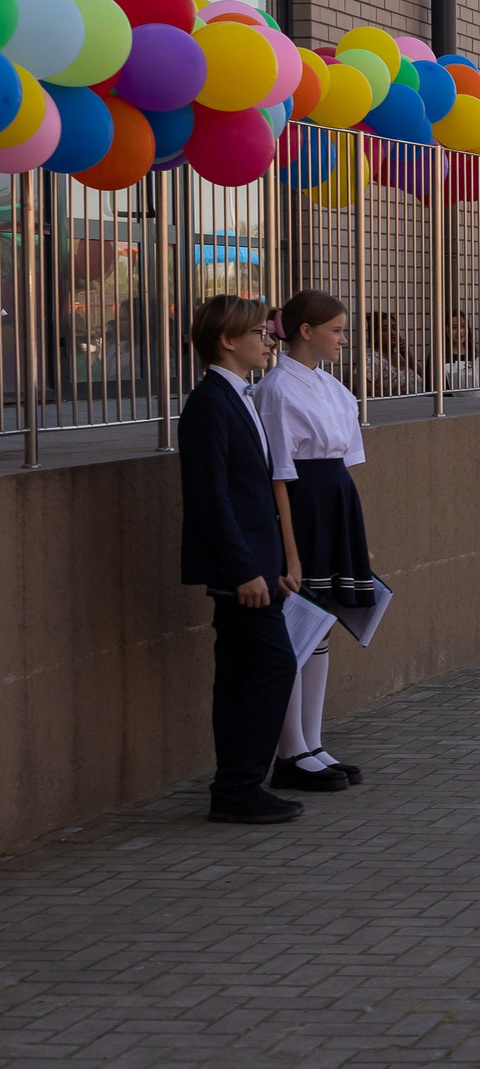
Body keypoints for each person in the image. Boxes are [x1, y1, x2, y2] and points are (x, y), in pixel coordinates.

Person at [178, 295, 303, 825]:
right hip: (241, 573)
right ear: (228, 341)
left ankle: (234, 788)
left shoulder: (240, 397)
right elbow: (212, 500)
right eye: (258, 331)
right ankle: (239, 787)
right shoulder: (210, 402)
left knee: (238, 675)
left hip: (257, 565)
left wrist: (274, 562)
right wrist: (244, 572)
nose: (268, 339)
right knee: (272, 666)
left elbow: (253, 494)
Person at [253, 290, 375, 793]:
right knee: (297, 626)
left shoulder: (334, 387)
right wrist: (292, 549)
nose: (343, 340)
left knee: (322, 622)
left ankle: (312, 740)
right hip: (301, 506)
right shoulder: (278, 388)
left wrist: (357, 538)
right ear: (305, 330)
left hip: (333, 503)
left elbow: (347, 461)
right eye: (337, 330)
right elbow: (278, 472)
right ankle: (290, 751)